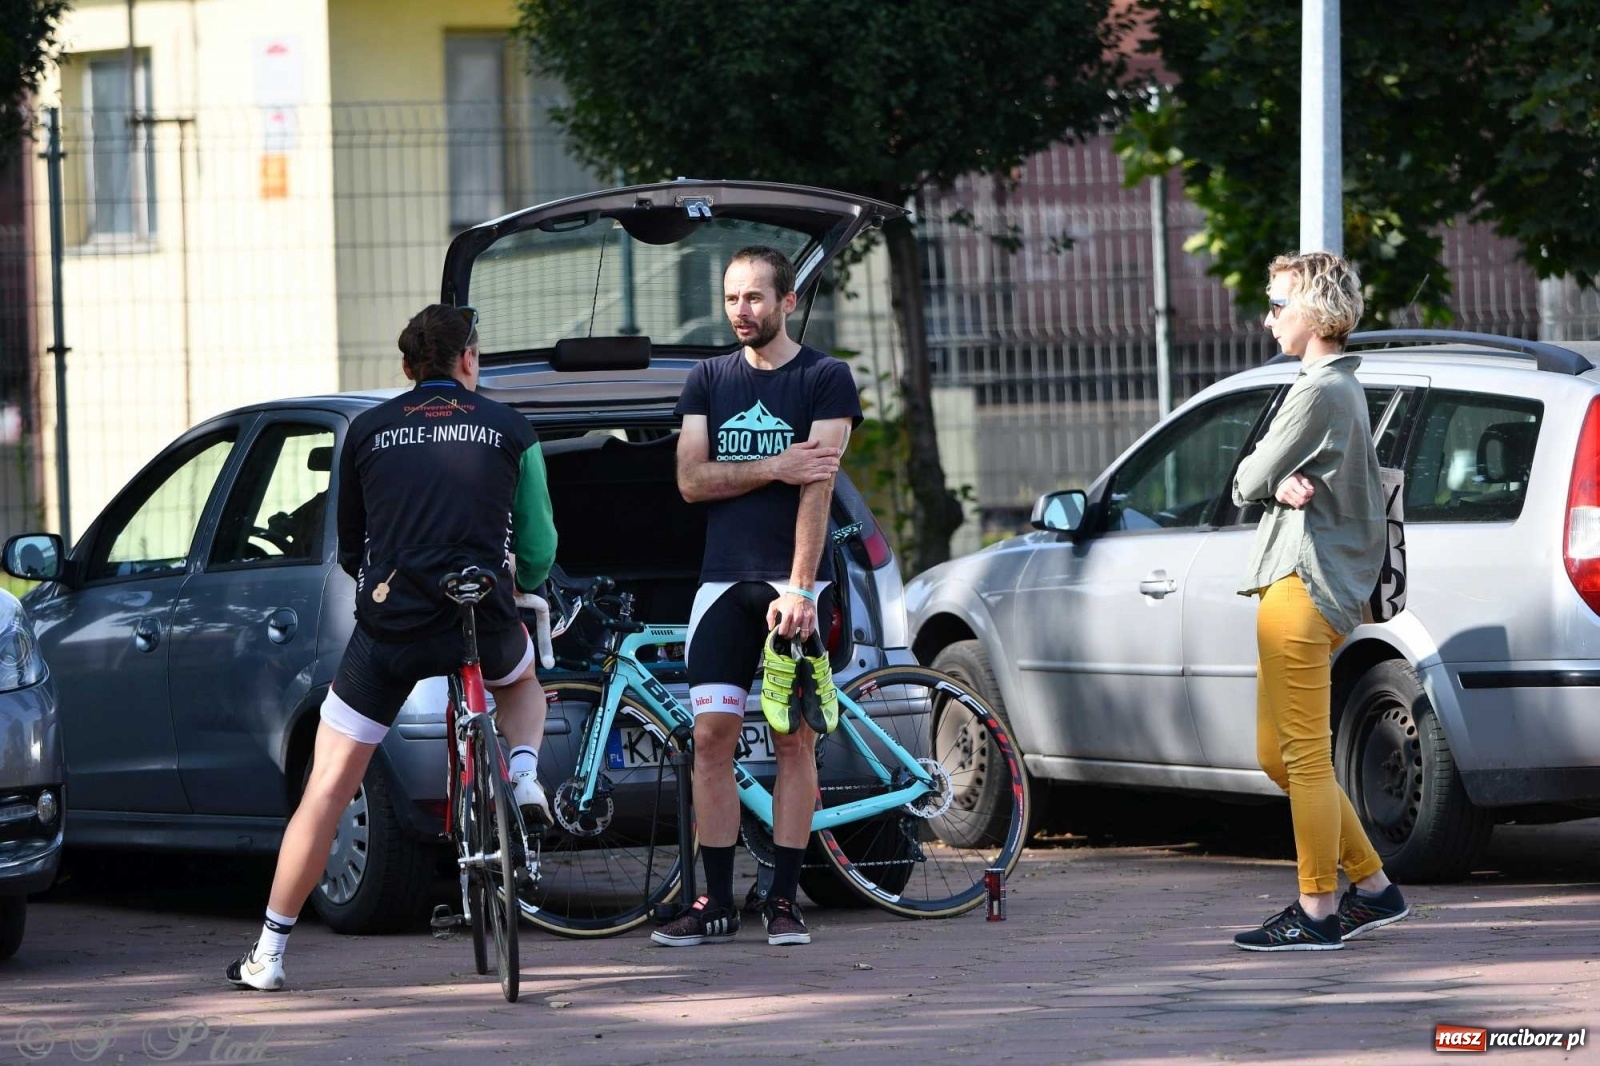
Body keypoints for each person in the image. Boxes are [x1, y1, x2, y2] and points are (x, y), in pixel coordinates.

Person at [226, 303, 558, 990]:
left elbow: (350, 544)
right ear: (469, 359)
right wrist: (520, 582)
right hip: (481, 616)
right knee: (522, 682)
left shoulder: (369, 431)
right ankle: (522, 773)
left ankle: (269, 954)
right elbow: (538, 547)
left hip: (395, 626)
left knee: (325, 789)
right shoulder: (512, 429)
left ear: (407, 367)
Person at [651, 246, 861, 948]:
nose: (742, 310)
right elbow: (689, 481)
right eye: (732, 297)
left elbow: (819, 487)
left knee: (791, 741)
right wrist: (776, 462)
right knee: (709, 739)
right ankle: (712, 901)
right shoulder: (707, 379)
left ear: (788, 301)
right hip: (721, 583)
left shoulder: (825, 378)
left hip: (794, 584)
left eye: (756, 298)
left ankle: (782, 899)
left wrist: (801, 587)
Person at [1230, 251, 1409, 951]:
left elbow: (1245, 475)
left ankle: (1316, 909)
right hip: (1307, 587)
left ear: (1313, 312)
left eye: (1278, 305)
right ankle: (1374, 888)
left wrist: (1267, 481)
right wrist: (1279, 483)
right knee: (1279, 754)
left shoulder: (1317, 390)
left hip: (1304, 588)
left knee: (1303, 757)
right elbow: (1275, 478)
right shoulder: (1341, 388)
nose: (1268, 318)